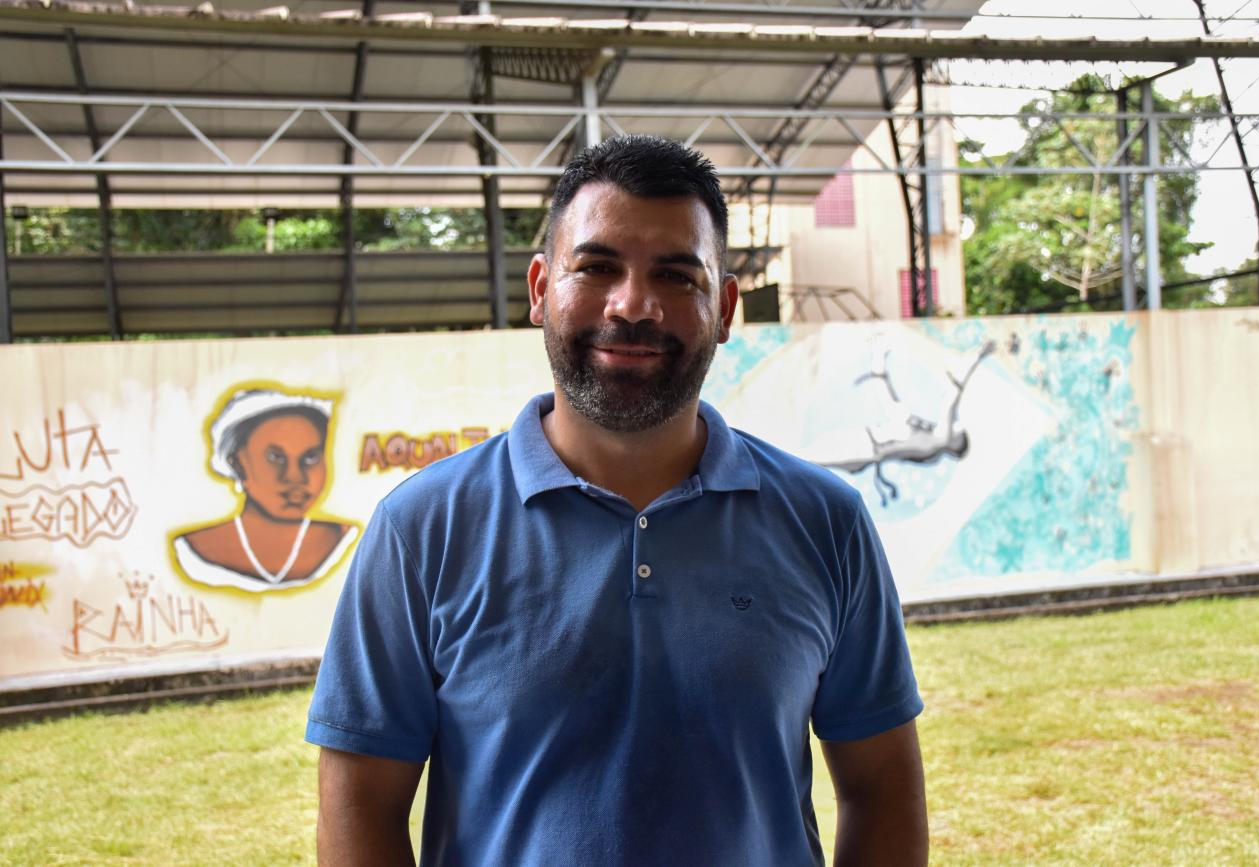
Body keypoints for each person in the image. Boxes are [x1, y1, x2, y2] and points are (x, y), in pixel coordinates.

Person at [307, 135, 927, 866]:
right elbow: (360, 806)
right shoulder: (421, 530)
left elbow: (882, 788)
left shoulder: (825, 521)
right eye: (597, 267)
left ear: (726, 308)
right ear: (540, 289)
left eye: (676, 275)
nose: (633, 305)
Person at [171, 388, 358, 593]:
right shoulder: (192, 551)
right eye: (276, 458)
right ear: (237, 464)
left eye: (310, 458)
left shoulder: (351, 541)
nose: (295, 477)